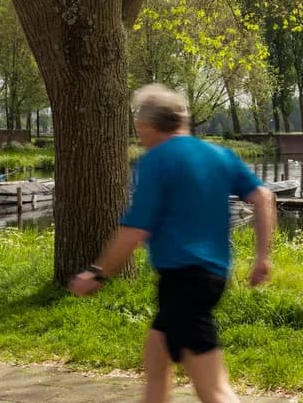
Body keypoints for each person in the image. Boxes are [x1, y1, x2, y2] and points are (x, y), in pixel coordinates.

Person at [68, 83, 275, 403]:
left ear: (147, 126)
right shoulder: (219, 155)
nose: (139, 136)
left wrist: (96, 274)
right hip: (206, 278)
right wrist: (263, 257)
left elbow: (134, 232)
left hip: (184, 281)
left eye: (138, 129)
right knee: (156, 362)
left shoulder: (155, 161)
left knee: (214, 388)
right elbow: (263, 196)